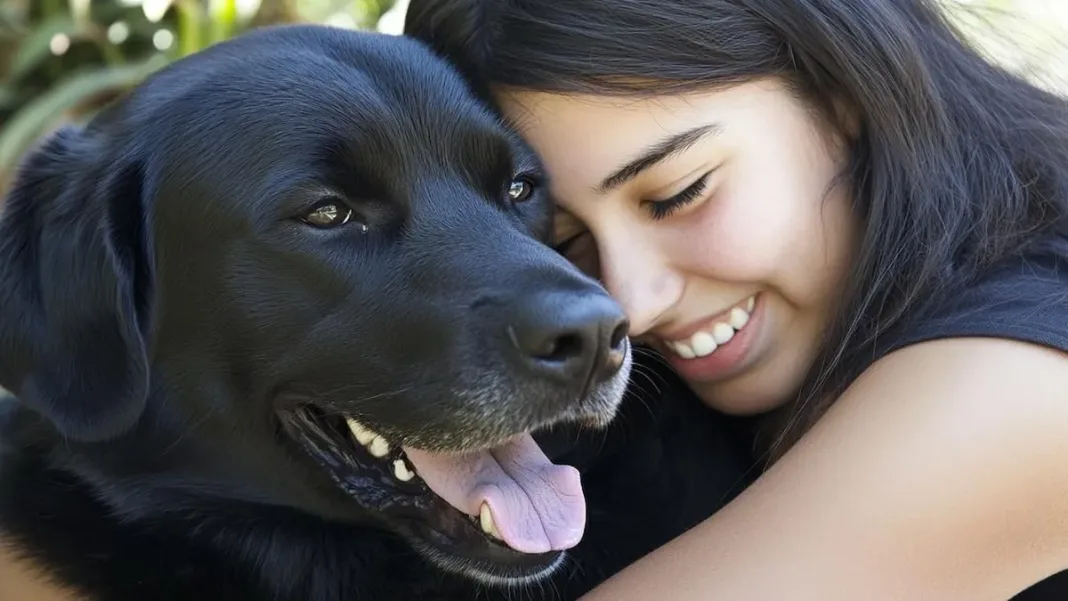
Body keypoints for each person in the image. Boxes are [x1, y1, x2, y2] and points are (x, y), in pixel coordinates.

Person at [403, 1, 1068, 599]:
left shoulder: (1022, 386)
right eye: (566, 243)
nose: (632, 303)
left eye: (679, 193)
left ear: (838, 90)